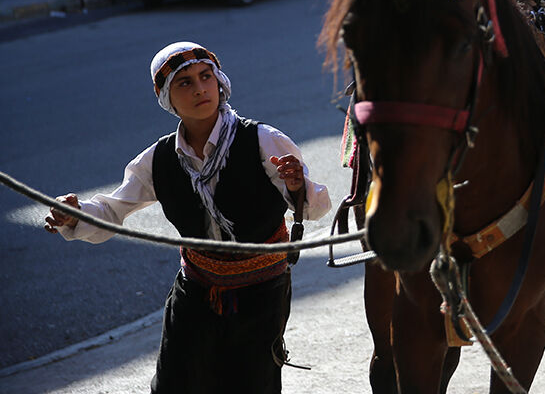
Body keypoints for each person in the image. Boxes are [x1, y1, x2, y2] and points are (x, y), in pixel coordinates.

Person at [44, 41, 332, 393]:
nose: (200, 89)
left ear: (219, 82)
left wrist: (297, 185)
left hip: (261, 293)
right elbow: (111, 210)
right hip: (196, 288)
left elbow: (314, 209)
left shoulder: (263, 140)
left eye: (206, 76)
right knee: (173, 385)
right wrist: (74, 215)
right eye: (185, 82)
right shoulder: (159, 159)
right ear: (166, 97)